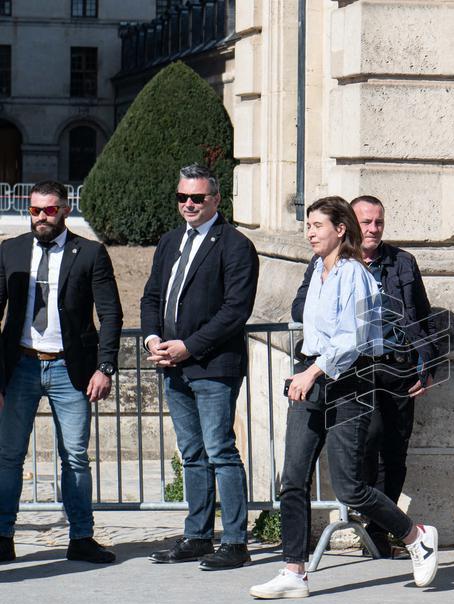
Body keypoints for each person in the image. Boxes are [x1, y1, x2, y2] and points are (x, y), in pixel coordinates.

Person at [250, 196, 438, 599]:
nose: (310, 232)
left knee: (351, 488)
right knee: (294, 479)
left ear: (340, 229)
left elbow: (351, 339)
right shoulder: (317, 269)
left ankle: (415, 534)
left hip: (348, 383)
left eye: (317, 225)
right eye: (307, 225)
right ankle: (294, 571)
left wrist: (314, 371)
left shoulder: (354, 274)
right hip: (311, 380)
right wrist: (308, 371)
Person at [291, 195, 439, 557]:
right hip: (333, 371)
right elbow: (301, 308)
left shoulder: (399, 263)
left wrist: (427, 364)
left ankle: (387, 533)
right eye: (366, 222)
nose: (372, 229)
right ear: (351, 225)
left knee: (389, 453)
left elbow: (421, 316)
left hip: (389, 369)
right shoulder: (321, 266)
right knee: (323, 466)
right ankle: (293, 565)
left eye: (379, 223)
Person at [143, 164, 260, 571]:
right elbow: (152, 296)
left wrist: (188, 347)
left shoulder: (235, 245)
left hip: (213, 366)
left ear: (216, 199)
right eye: (182, 197)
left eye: (197, 198)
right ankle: (196, 536)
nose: (188, 204)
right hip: (173, 366)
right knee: (192, 455)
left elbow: (235, 311)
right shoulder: (170, 241)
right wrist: (153, 339)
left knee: (221, 452)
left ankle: (234, 541)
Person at [0, 180, 123, 564]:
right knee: (8, 456)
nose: (41, 217)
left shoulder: (89, 253)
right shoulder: (11, 250)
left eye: (49, 210)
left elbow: (111, 312)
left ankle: (81, 537)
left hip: (70, 370)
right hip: (19, 365)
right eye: (35, 210)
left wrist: (104, 368)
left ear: (65, 210)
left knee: (74, 457)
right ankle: (3, 536)